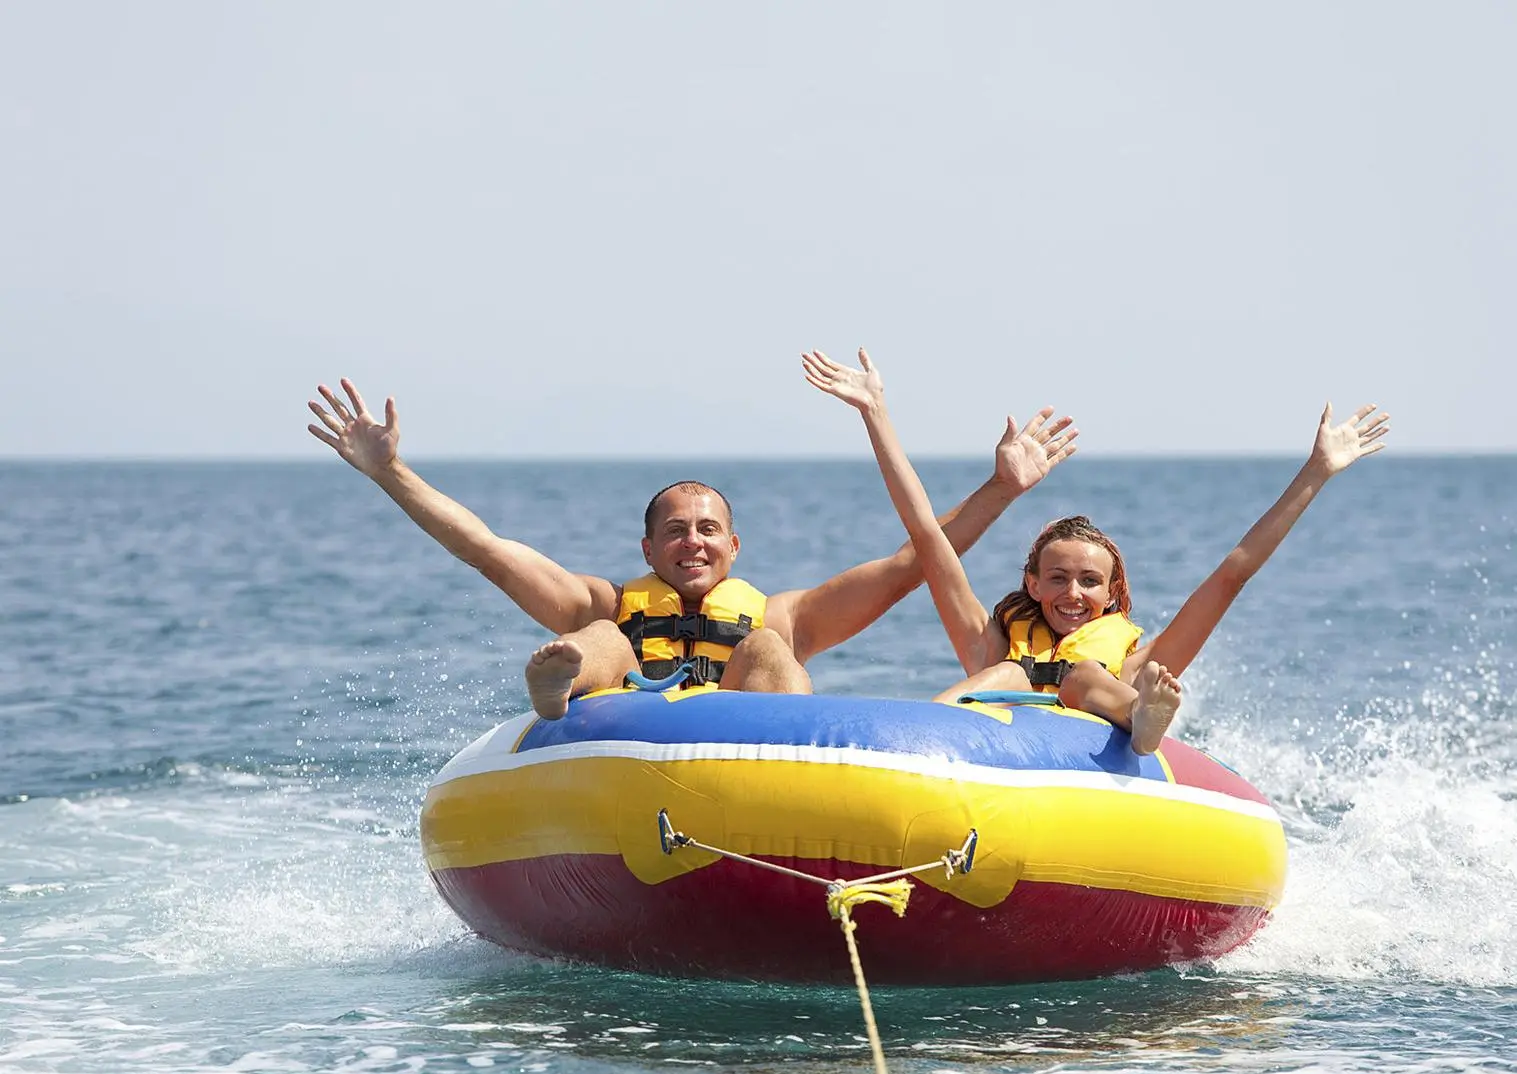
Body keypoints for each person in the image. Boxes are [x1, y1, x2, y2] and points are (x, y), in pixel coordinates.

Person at [306, 377, 1079, 719]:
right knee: (603, 637)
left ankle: (792, 763)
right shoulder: (606, 599)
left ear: (733, 546)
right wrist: (391, 472)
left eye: (707, 529)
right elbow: (484, 547)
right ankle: (560, 685)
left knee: (771, 650)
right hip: (626, 734)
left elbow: (914, 565)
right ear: (647, 548)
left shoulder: (786, 615)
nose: (692, 540)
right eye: (674, 530)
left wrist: (1001, 487)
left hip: (738, 744)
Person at [803, 347, 1390, 754]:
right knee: (1005, 671)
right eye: (1057, 577)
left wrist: (1315, 472)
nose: (1073, 592)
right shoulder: (991, 644)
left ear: (1112, 594)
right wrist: (877, 415)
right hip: (992, 751)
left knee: (1084, 676)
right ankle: (923, 739)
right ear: (1032, 584)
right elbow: (927, 536)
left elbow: (1232, 573)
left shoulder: (1134, 662)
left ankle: (1142, 718)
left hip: (1102, 737)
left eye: (1089, 581)